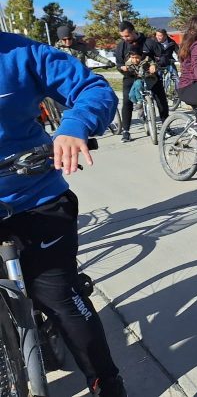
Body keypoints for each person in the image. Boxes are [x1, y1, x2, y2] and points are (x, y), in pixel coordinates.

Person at [0, 31, 127, 396]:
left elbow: (94, 89)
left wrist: (74, 126)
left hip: (34, 196)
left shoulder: (23, 54)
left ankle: (106, 381)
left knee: (61, 297)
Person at [115, 21, 169, 142]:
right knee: (127, 101)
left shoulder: (149, 43)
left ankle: (166, 125)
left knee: (160, 98)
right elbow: (118, 63)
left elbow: (164, 57)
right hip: (131, 76)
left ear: (134, 31)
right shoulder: (121, 46)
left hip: (150, 76)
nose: (125, 38)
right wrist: (123, 68)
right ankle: (126, 131)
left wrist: (157, 65)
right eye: (122, 36)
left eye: (127, 36)